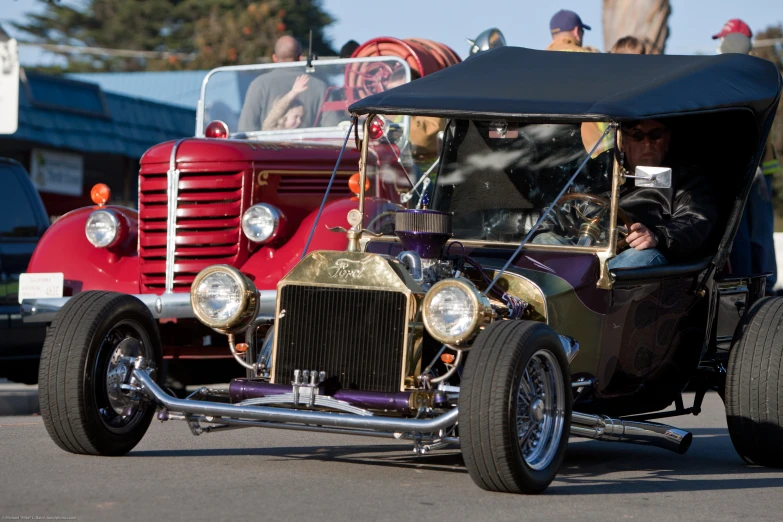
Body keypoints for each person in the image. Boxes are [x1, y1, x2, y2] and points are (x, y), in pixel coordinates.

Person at [535, 119, 718, 269]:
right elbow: (556, 211)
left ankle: (589, 299)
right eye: (638, 136)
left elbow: (696, 220)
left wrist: (657, 236)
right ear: (623, 141)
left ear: (667, 138)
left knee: (644, 257)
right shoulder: (595, 171)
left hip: (626, 261)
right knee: (542, 241)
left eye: (655, 135)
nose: (647, 143)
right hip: (580, 251)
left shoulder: (686, 178)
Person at [714, 19, 780, 292]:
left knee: (740, 232)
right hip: (757, 171)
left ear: (732, 42)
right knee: (758, 233)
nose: (717, 45)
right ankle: (761, 287)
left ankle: (747, 288)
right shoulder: (764, 76)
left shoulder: (728, 76)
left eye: (722, 40)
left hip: (740, 171)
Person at [237, 35, 326, 132]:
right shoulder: (320, 87)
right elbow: (331, 127)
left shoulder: (258, 84)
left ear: (274, 58)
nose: (299, 121)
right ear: (300, 58)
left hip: (268, 147)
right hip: (308, 147)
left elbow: (245, 129)